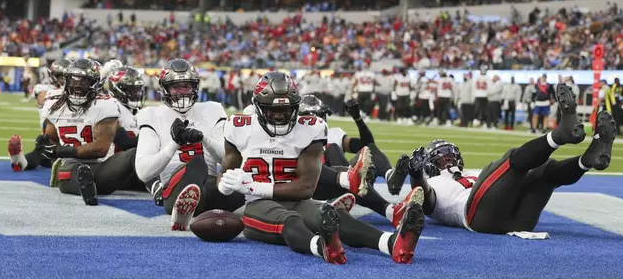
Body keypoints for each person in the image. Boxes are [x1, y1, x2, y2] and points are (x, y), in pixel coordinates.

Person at [219, 72, 425, 265]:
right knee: (289, 221)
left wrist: (252, 186)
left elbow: (306, 188)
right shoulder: (239, 128)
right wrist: (226, 187)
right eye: (273, 111)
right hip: (258, 206)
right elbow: (224, 176)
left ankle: (391, 243)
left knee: (334, 215)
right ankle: (323, 247)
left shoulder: (310, 128)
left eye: (286, 109)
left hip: (296, 199)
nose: (280, 116)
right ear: (258, 108)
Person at [407, 84, 615, 234]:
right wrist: (416, 175)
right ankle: (560, 135)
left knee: (544, 171)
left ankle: (587, 160)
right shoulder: (432, 182)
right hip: (477, 217)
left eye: (451, 154)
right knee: (512, 160)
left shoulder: (472, 173)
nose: (449, 159)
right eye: (442, 157)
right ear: (430, 165)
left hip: (518, 218)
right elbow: (425, 200)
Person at [135, 59, 244, 230]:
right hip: (174, 191)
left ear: (194, 87)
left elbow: (228, 158)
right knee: (197, 162)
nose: (182, 92)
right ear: (165, 89)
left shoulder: (212, 109)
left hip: (210, 187)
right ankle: (184, 210)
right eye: (176, 87)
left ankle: (196, 208)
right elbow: (143, 172)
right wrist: (173, 144)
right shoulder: (152, 115)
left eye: (186, 86)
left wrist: (205, 140)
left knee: (247, 177)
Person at [299, 94, 424, 228]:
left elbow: (367, 144)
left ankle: (390, 181)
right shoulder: (296, 138)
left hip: (344, 182)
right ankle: (351, 178)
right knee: (332, 148)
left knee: (368, 149)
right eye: (314, 117)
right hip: (319, 187)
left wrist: (357, 118)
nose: (318, 120)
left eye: (320, 116)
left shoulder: (332, 134)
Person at [37, 59, 140, 206]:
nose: (77, 86)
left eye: (84, 82)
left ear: (95, 84)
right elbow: (52, 139)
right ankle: (87, 187)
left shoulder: (105, 105)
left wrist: (63, 150)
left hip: (103, 166)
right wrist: (45, 147)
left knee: (135, 153)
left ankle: (158, 187)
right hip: (72, 166)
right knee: (71, 173)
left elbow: (100, 149)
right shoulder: (54, 105)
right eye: (73, 81)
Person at [8, 58, 70, 172]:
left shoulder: (51, 91)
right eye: (61, 77)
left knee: (41, 153)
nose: (64, 80)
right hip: (59, 144)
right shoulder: (46, 91)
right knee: (44, 150)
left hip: (57, 145)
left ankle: (22, 162)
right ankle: (21, 161)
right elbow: (41, 101)